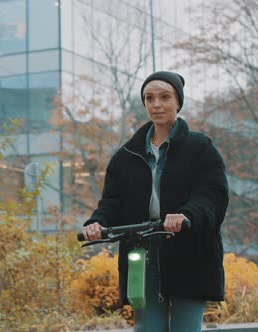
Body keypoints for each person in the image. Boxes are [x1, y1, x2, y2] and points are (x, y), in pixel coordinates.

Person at [81, 71, 229, 331]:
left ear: (178, 102)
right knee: (147, 328)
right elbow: (112, 202)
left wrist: (186, 215)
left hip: (190, 254)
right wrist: (97, 222)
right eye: (149, 98)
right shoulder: (126, 155)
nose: (156, 104)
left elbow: (212, 194)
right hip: (142, 253)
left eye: (164, 97)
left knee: (186, 328)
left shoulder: (200, 148)